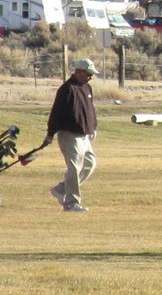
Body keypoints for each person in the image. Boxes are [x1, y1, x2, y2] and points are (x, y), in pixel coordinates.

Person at [46, 57, 99, 212]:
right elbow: (56, 113)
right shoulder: (67, 89)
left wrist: (93, 127)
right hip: (69, 135)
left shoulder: (87, 88)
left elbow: (90, 110)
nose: (90, 77)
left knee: (89, 164)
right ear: (79, 72)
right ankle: (71, 203)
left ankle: (62, 189)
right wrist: (50, 133)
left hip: (85, 135)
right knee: (74, 168)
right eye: (88, 73)